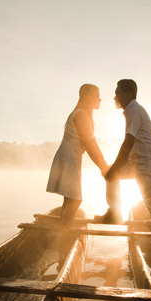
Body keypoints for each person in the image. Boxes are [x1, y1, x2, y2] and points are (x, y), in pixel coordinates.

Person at [95, 79, 151, 288]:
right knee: (111, 174)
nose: (114, 97)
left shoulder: (134, 110)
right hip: (139, 165)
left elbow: (128, 142)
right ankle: (114, 211)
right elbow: (131, 147)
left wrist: (116, 168)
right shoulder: (130, 111)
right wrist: (114, 169)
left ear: (127, 93)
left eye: (117, 92)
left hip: (149, 166)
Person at [46, 84, 109, 224]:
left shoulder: (83, 114)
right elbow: (90, 145)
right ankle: (64, 233)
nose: (100, 99)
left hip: (70, 157)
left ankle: (62, 231)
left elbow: (91, 144)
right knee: (75, 199)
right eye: (97, 96)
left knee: (70, 198)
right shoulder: (80, 115)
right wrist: (104, 167)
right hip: (68, 158)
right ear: (88, 97)